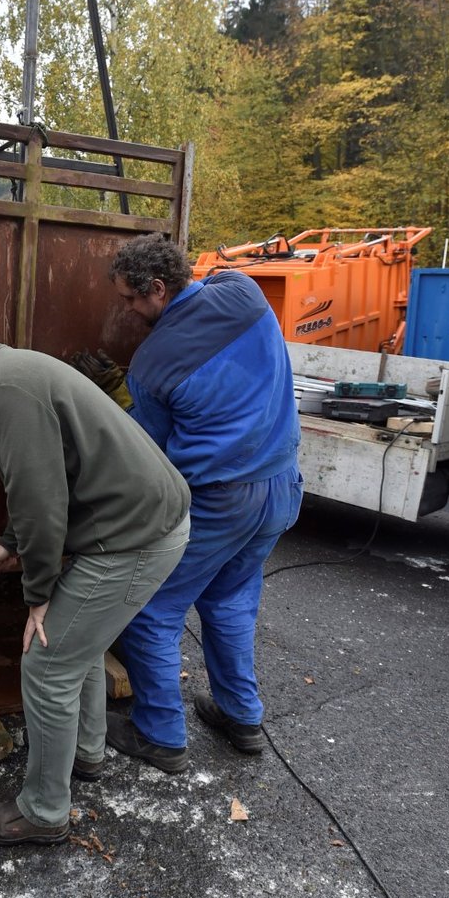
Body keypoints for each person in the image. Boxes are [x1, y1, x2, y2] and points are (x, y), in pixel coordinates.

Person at [0, 300, 191, 847]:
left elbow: (40, 498)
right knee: (76, 648)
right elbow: (43, 476)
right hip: (142, 523)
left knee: (47, 662)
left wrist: (38, 596)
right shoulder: (12, 368)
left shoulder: (6, 389)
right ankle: (86, 754)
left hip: (134, 537)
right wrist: (11, 542)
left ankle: (44, 810)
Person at [75, 236, 302, 769]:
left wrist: (105, 397)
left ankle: (161, 735)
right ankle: (242, 718)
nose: (127, 311)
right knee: (230, 600)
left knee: (152, 609)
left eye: (131, 299)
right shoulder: (244, 292)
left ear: (157, 289)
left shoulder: (153, 365)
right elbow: (213, 283)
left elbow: (140, 449)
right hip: (281, 485)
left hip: (222, 501)